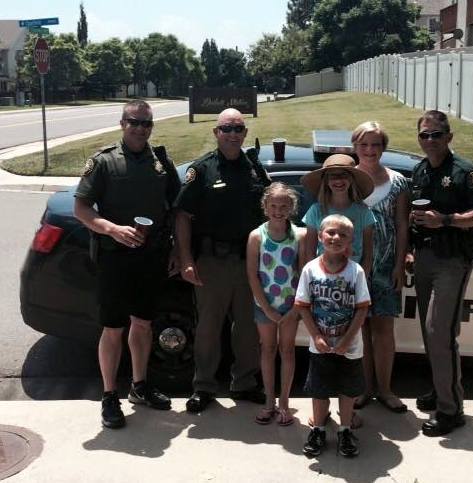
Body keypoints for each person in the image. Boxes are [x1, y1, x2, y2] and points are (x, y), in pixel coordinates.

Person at [74, 99, 181, 429]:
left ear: (151, 126)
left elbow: (177, 208)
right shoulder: (103, 161)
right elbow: (82, 208)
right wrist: (112, 229)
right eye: (133, 122)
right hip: (114, 259)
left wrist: (177, 248)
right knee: (113, 328)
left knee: (144, 324)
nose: (139, 128)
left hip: (151, 258)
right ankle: (109, 395)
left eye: (145, 123)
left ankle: (139, 386)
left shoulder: (161, 162)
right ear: (122, 123)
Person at [175, 108, 271, 413]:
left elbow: (273, 210)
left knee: (247, 327)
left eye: (238, 129)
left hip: (248, 263)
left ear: (244, 133)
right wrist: (186, 258)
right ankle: (203, 386)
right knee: (208, 328)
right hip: (212, 263)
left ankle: (244, 383)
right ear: (216, 132)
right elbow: (182, 215)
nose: (232, 134)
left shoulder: (255, 169)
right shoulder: (202, 170)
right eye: (226, 129)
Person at [411, 110, 473, 436]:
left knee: (439, 334)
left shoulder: (467, 172)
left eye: (435, 135)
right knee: (429, 332)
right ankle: (439, 389)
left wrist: (445, 220)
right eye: (424, 135)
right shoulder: (420, 170)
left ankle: (450, 410)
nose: (429, 141)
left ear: (448, 137)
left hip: (452, 260)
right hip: (423, 258)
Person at [295, 215, 371, 458]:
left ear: (351, 240)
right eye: (330, 233)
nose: (336, 238)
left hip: (350, 346)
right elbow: (303, 305)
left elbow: (362, 308)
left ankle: (345, 430)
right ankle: (318, 429)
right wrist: (316, 336)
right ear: (319, 236)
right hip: (321, 346)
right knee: (319, 389)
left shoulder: (355, 271)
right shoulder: (310, 269)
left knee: (348, 390)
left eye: (343, 234)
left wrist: (348, 339)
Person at [352, 121, 410, 413]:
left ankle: (386, 390)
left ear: (383, 147)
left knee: (384, 329)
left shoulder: (398, 182)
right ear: (355, 147)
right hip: (353, 268)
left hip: (386, 268)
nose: (370, 150)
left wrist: (400, 263)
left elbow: (402, 224)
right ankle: (363, 389)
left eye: (376, 144)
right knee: (360, 329)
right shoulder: (347, 180)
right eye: (364, 145)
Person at [246, 182, 305, 426]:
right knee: (268, 350)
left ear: (292, 207)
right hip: (265, 306)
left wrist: (296, 308)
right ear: (265, 206)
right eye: (273, 205)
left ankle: (284, 404)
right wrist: (266, 307)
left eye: (284, 206)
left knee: (288, 351)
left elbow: (303, 272)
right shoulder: (256, 236)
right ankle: (269, 401)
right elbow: (252, 275)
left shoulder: (300, 235)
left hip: (291, 306)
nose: (278, 210)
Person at [301, 154, 375, 275]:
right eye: (332, 176)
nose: (338, 180)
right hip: (322, 278)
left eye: (343, 175)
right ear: (326, 181)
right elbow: (309, 252)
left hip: (353, 278)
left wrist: (361, 280)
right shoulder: (315, 211)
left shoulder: (364, 212)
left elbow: (368, 255)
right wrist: (314, 279)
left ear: (351, 179)